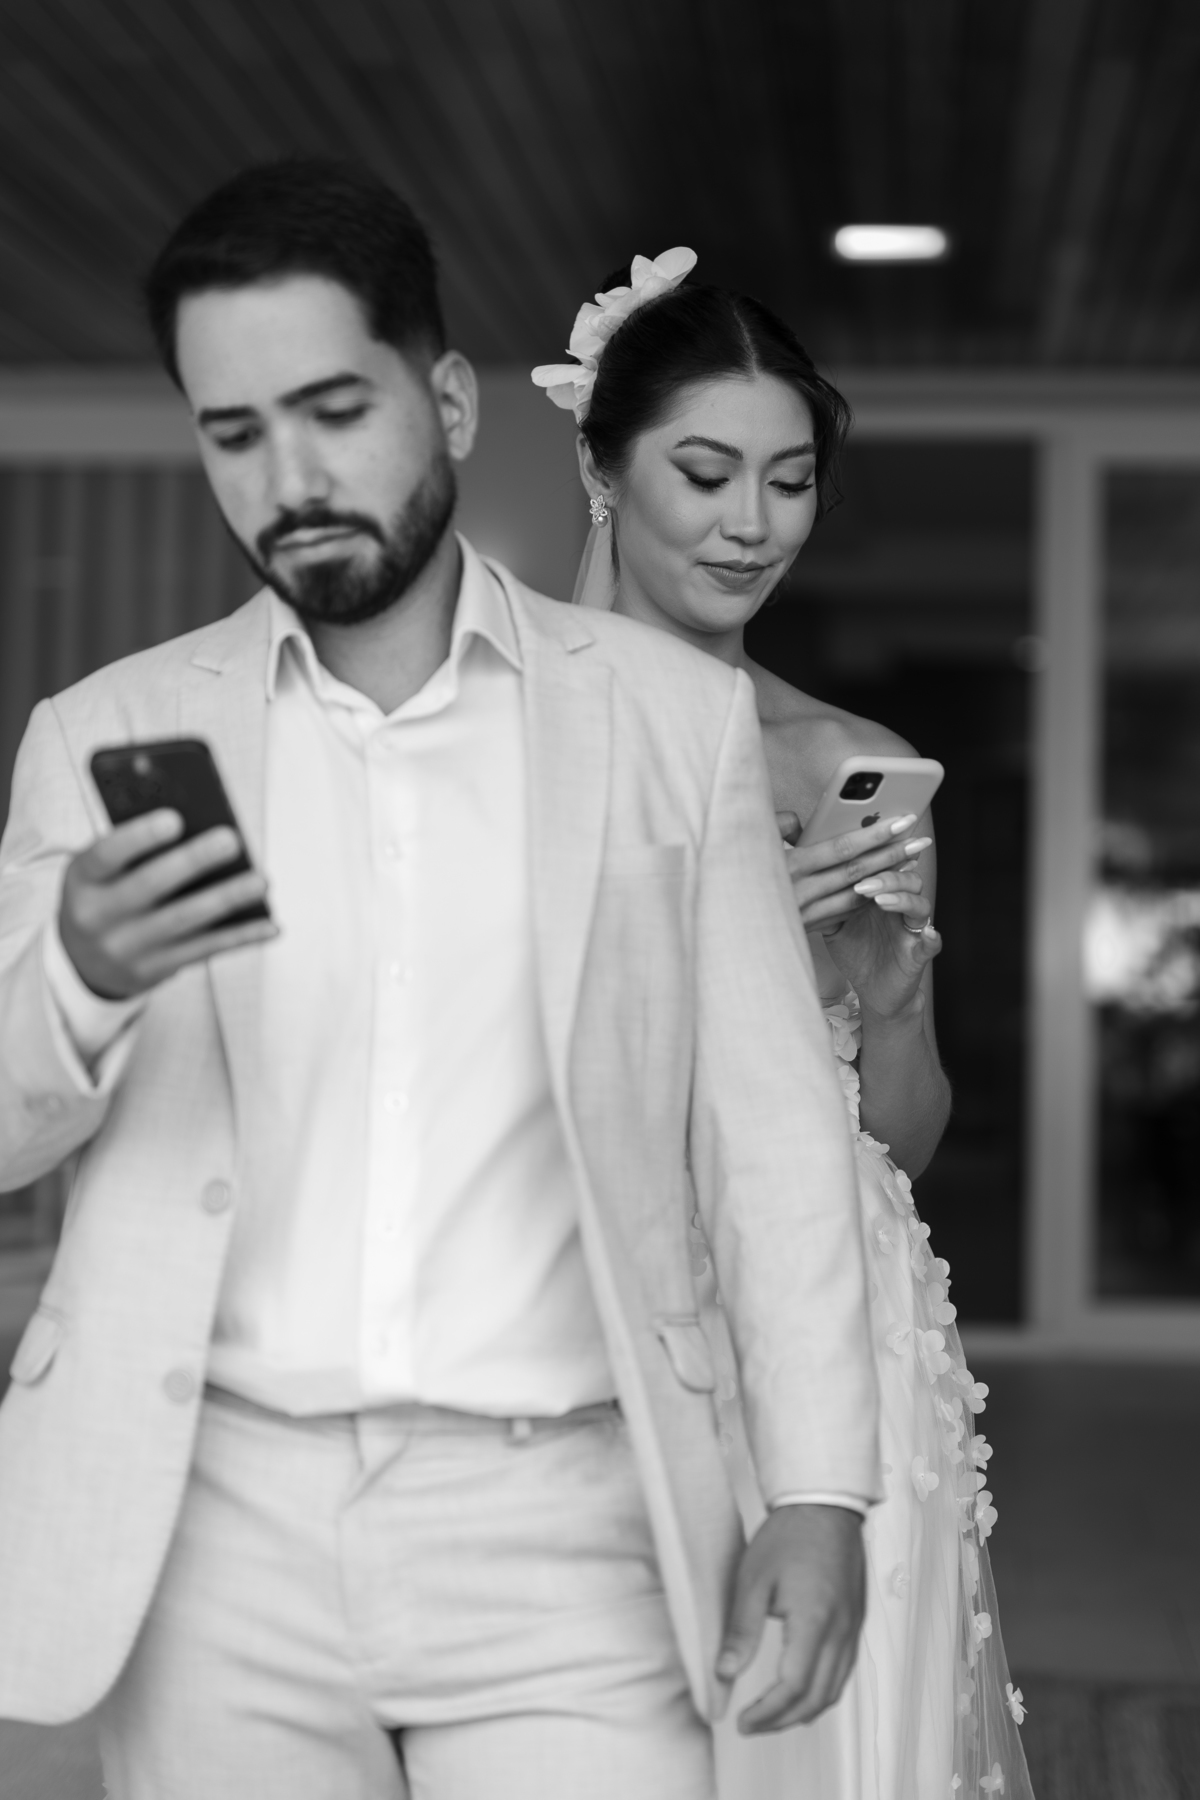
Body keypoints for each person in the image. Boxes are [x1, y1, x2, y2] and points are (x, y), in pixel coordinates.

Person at [0, 163, 880, 1800]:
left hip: (570, 1527)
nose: (290, 474)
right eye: (234, 429)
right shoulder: (110, 736)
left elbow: (770, 1135)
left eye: (335, 407)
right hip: (211, 1534)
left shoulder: (659, 721)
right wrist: (79, 970)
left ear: (454, 402)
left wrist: (819, 1493)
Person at [533, 251, 1035, 1800]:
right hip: (596, 1295)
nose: (752, 524)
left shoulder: (848, 762)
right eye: (704, 471)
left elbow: (902, 1138)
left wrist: (882, 998)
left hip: (851, 1321)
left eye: (791, 481)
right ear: (599, 467)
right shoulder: (499, 736)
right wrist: (724, 937)